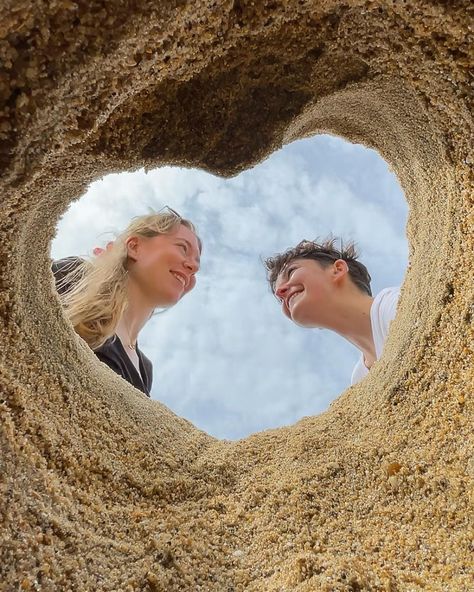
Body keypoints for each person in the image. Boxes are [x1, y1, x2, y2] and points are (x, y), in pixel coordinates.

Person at [51, 207, 201, 397]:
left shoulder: (145, 370)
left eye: (197, 263)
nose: (194, 267)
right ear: (134, 247)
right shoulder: (74, 277)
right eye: (183, 248)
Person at [264, 237, 400, 385]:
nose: (279, 292)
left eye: (291, 272)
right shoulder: (360, 380)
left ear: (338, 269)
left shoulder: (397, 305)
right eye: (279, 299)